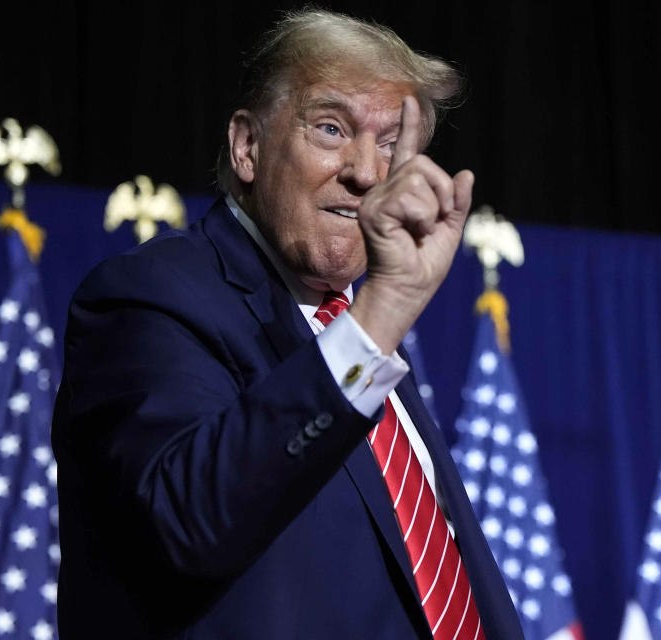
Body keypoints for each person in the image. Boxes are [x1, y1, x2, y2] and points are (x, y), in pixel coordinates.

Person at [52, 9, 525, 640]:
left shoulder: (357, 331)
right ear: (247, 146)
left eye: (390, 143)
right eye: (332, 128)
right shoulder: (150, 297)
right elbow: (185, 522)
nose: (366, 172)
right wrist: (381, 310)